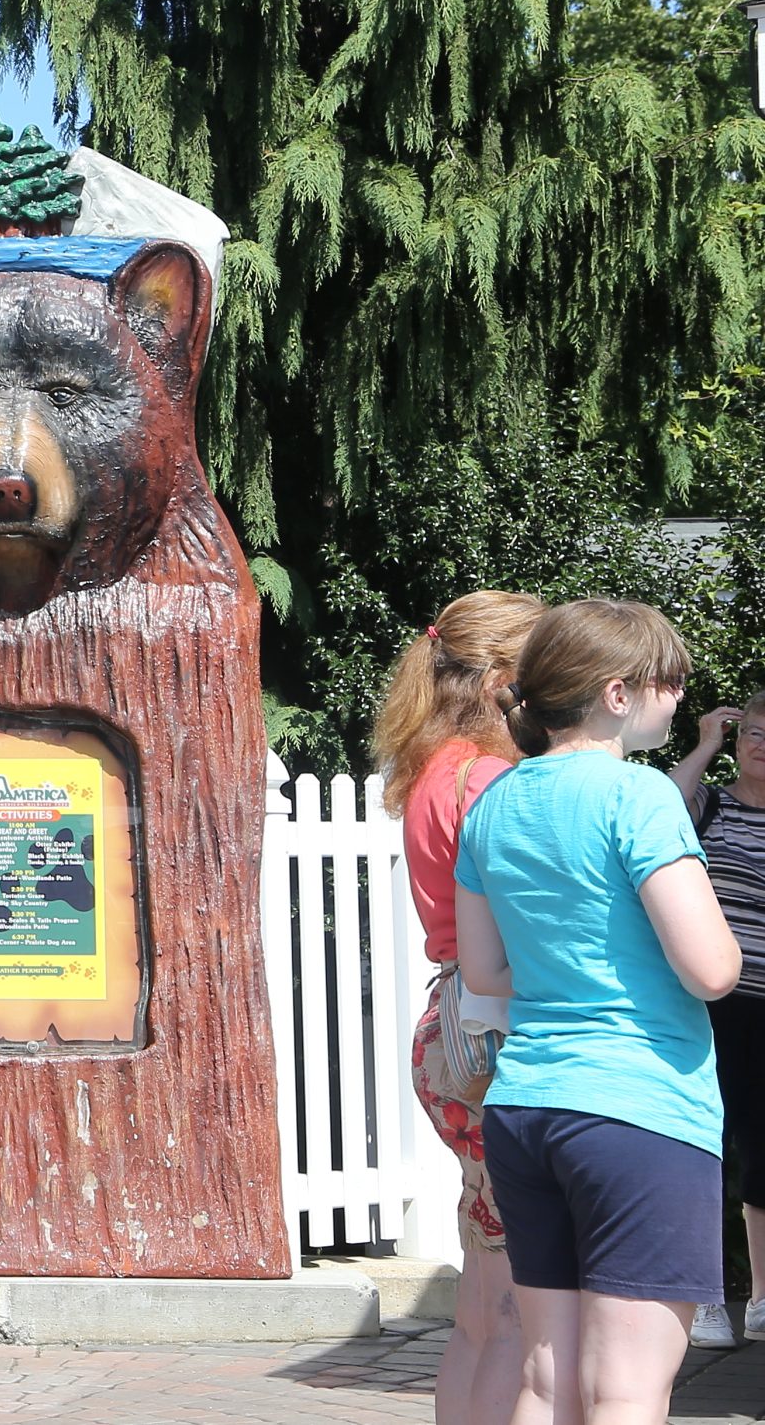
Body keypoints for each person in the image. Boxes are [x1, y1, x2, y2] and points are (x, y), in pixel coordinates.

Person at [455, 599, 741, 1425]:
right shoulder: (640, 795)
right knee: (625, 1389)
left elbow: (484, 969)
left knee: (546, 1378)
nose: (680, 696)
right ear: (618, 693)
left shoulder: (494, 804)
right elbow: (713, 968)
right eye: (670, 681)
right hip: (640, 1109)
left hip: (527, 1105)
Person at [370, 589, 542, 1425]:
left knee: (482, 1296)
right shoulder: (491, 780)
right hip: (500, 1032)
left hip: (455, 1028)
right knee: (517, 1304)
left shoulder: (436, 766)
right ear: (505, 677)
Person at [669, 690, 765, 1348]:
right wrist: (703, 742)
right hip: (714, 1000)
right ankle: (703, 1298)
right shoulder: (713, 803)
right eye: (753, 730)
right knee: (707, 1141)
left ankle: (761, 1298)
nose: (761, 742)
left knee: (763, 1152)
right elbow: (664, 805)